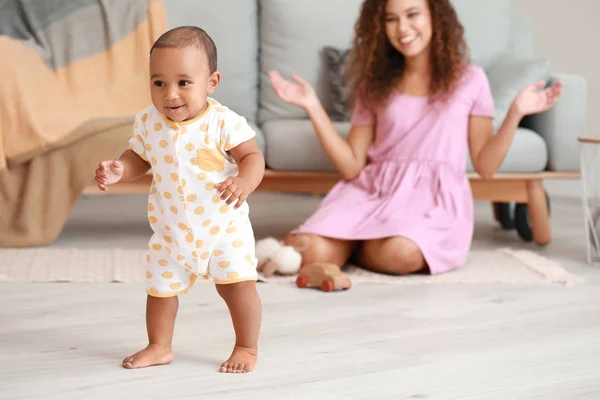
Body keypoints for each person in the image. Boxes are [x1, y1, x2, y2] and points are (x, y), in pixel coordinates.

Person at [269, 0, 563, 276]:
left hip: (432, 200)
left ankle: (354, 248)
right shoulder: (374, 85)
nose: (402, 28)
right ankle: (352, 245)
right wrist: (313, 106)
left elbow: (485, 166)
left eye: (413, 15)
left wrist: (515, 114)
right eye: (391, 19)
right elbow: (351, 167)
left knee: (401, 253)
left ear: (435, 15)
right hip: (372, 192)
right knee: (310, 252)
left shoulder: (470, 80)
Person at [95, 26, 264, 373]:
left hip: (222, 228)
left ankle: (246, 347)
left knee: (237, 288)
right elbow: (139, 158)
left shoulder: (222, 122)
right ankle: (159, 346)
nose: (170, 94)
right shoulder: (147, 121)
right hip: (171, 230)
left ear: (211, 82)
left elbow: (252, 157)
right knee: (159, 290)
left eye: (184, 83)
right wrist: (120, 170)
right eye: (159, 83)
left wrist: (243, 182)